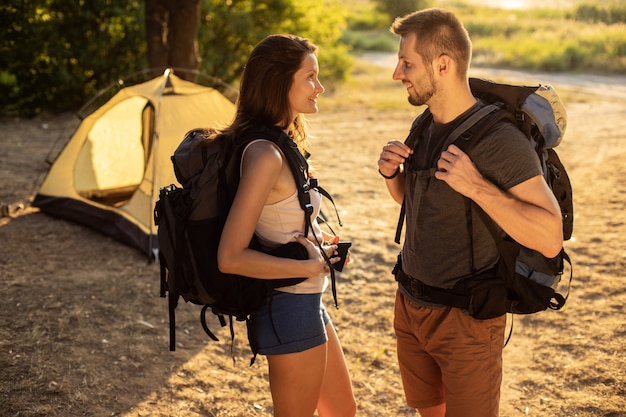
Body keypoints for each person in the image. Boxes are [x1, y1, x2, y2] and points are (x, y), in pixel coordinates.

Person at [377, 9, 563, 417]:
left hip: (466, 320)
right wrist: (392, 175)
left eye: (406, 62)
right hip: (410, 304)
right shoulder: (425, 124)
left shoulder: (500, 140)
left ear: (443, 64)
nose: (396, 73)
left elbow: (550, 235)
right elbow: (419, 204)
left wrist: (477, 186)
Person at [216, 34, 357, 417]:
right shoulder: (265, 154)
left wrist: (318, 242)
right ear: (280, 83)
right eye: (310, 77)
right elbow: (230, 257)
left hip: (306, 299)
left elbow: (276, 220)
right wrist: (310, 266)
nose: (320, 88)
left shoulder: (281, 143)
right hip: (287, 305)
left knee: (342, 411)